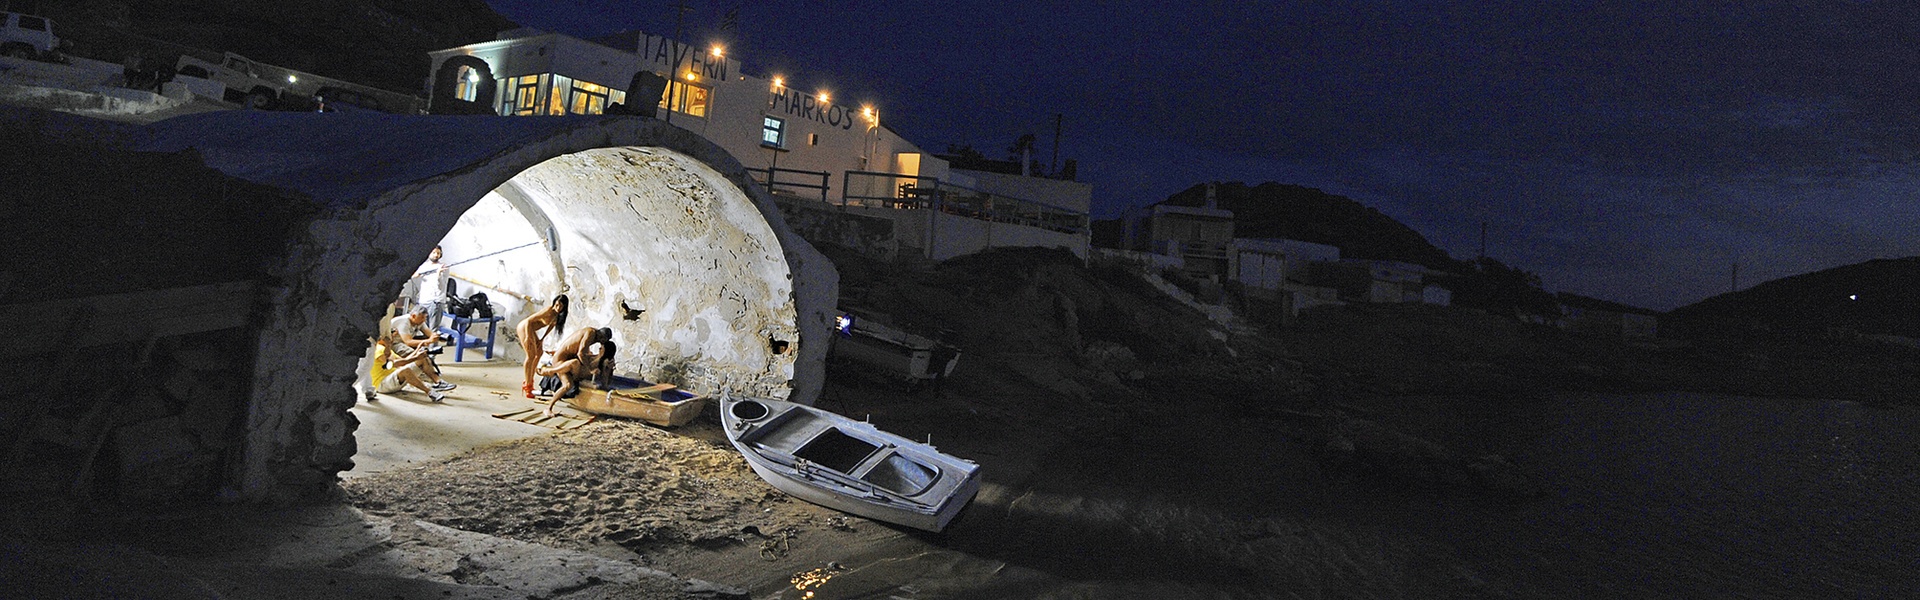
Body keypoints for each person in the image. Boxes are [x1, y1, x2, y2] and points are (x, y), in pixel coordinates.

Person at [539, 336, 616, 417]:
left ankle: (551, 371)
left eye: (601, 348)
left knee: (569, 383)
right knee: (574, 362)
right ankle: (552, 371)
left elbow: (605, 383)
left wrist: (609, 370)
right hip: (570, 370)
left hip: (576, 375)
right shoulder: (595, 356)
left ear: (606, 351)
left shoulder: (605, 362)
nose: (599, 348)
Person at [516, 294, 569, 398]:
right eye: (557, 305)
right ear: (554, 303)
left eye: (561, 306)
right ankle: (527, 386)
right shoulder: (548, 310)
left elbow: (550, 326)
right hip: (525, 328)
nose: (558, 308)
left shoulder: (558, 315)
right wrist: (527, 337)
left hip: (532, 331)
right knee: (531, 356)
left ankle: (529, 380)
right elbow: (529, 321)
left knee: (539, 353)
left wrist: (541, 339)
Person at [371, 337, 449, 402]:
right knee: (406, 370)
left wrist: (418, 351)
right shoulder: (379, 349)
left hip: (394, 380)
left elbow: (404, 360)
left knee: (422, 359)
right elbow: (393, 364)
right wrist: (416, 357)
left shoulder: (387, 349)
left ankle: (438, 382)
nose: (391, 339)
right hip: (383, 384)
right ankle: (430, 392)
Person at [389, 306, 452, 385]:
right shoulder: (404, 322)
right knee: (418, 354)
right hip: (393, 343)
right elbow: (408, 342)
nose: (424, 320)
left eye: (425, 318)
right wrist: (428, 341)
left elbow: (429, 334)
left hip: (403, 341)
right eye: (422, 318)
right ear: (413, 316)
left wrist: (438, 337)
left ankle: (427, 371)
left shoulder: (420, 321)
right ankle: (430, 377)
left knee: (423, 352)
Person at [413, 245, 451, 325]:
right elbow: (414, 275)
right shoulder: (424, 266)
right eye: (433, 252)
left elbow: (441, 286)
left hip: (436, 301)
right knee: (422, 327)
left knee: (432, 329)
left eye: (438, 253)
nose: (436, 255)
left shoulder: (443, 267)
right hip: (424, 300)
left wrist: (438, 273)